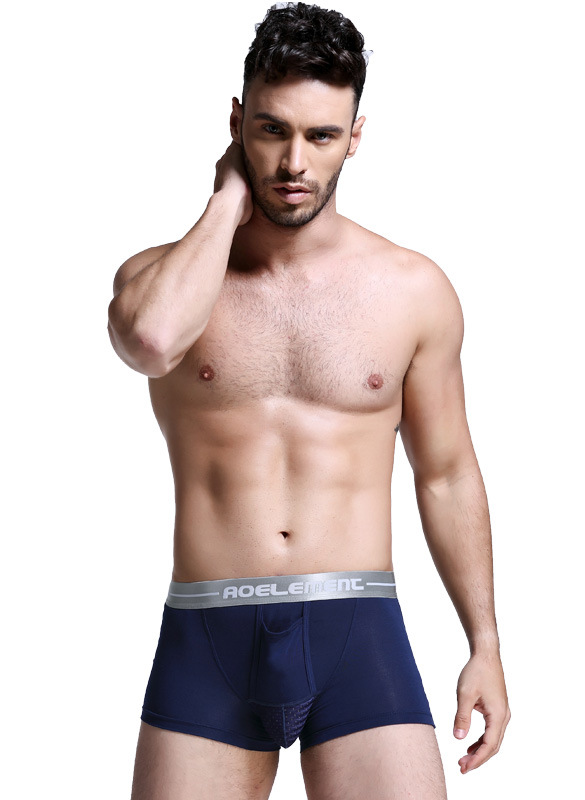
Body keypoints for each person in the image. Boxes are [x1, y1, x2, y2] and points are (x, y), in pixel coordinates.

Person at [107, 3, 510, 797]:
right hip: (207, 636)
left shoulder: (412, 289)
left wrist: (485, 643)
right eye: (272, 130)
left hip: (359, 630)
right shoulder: (159, 282)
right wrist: (226, 199)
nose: (295, 161)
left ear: (355, 136)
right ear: (236, 124)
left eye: (322, 136)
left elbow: (446, 473)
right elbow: (150, 343)